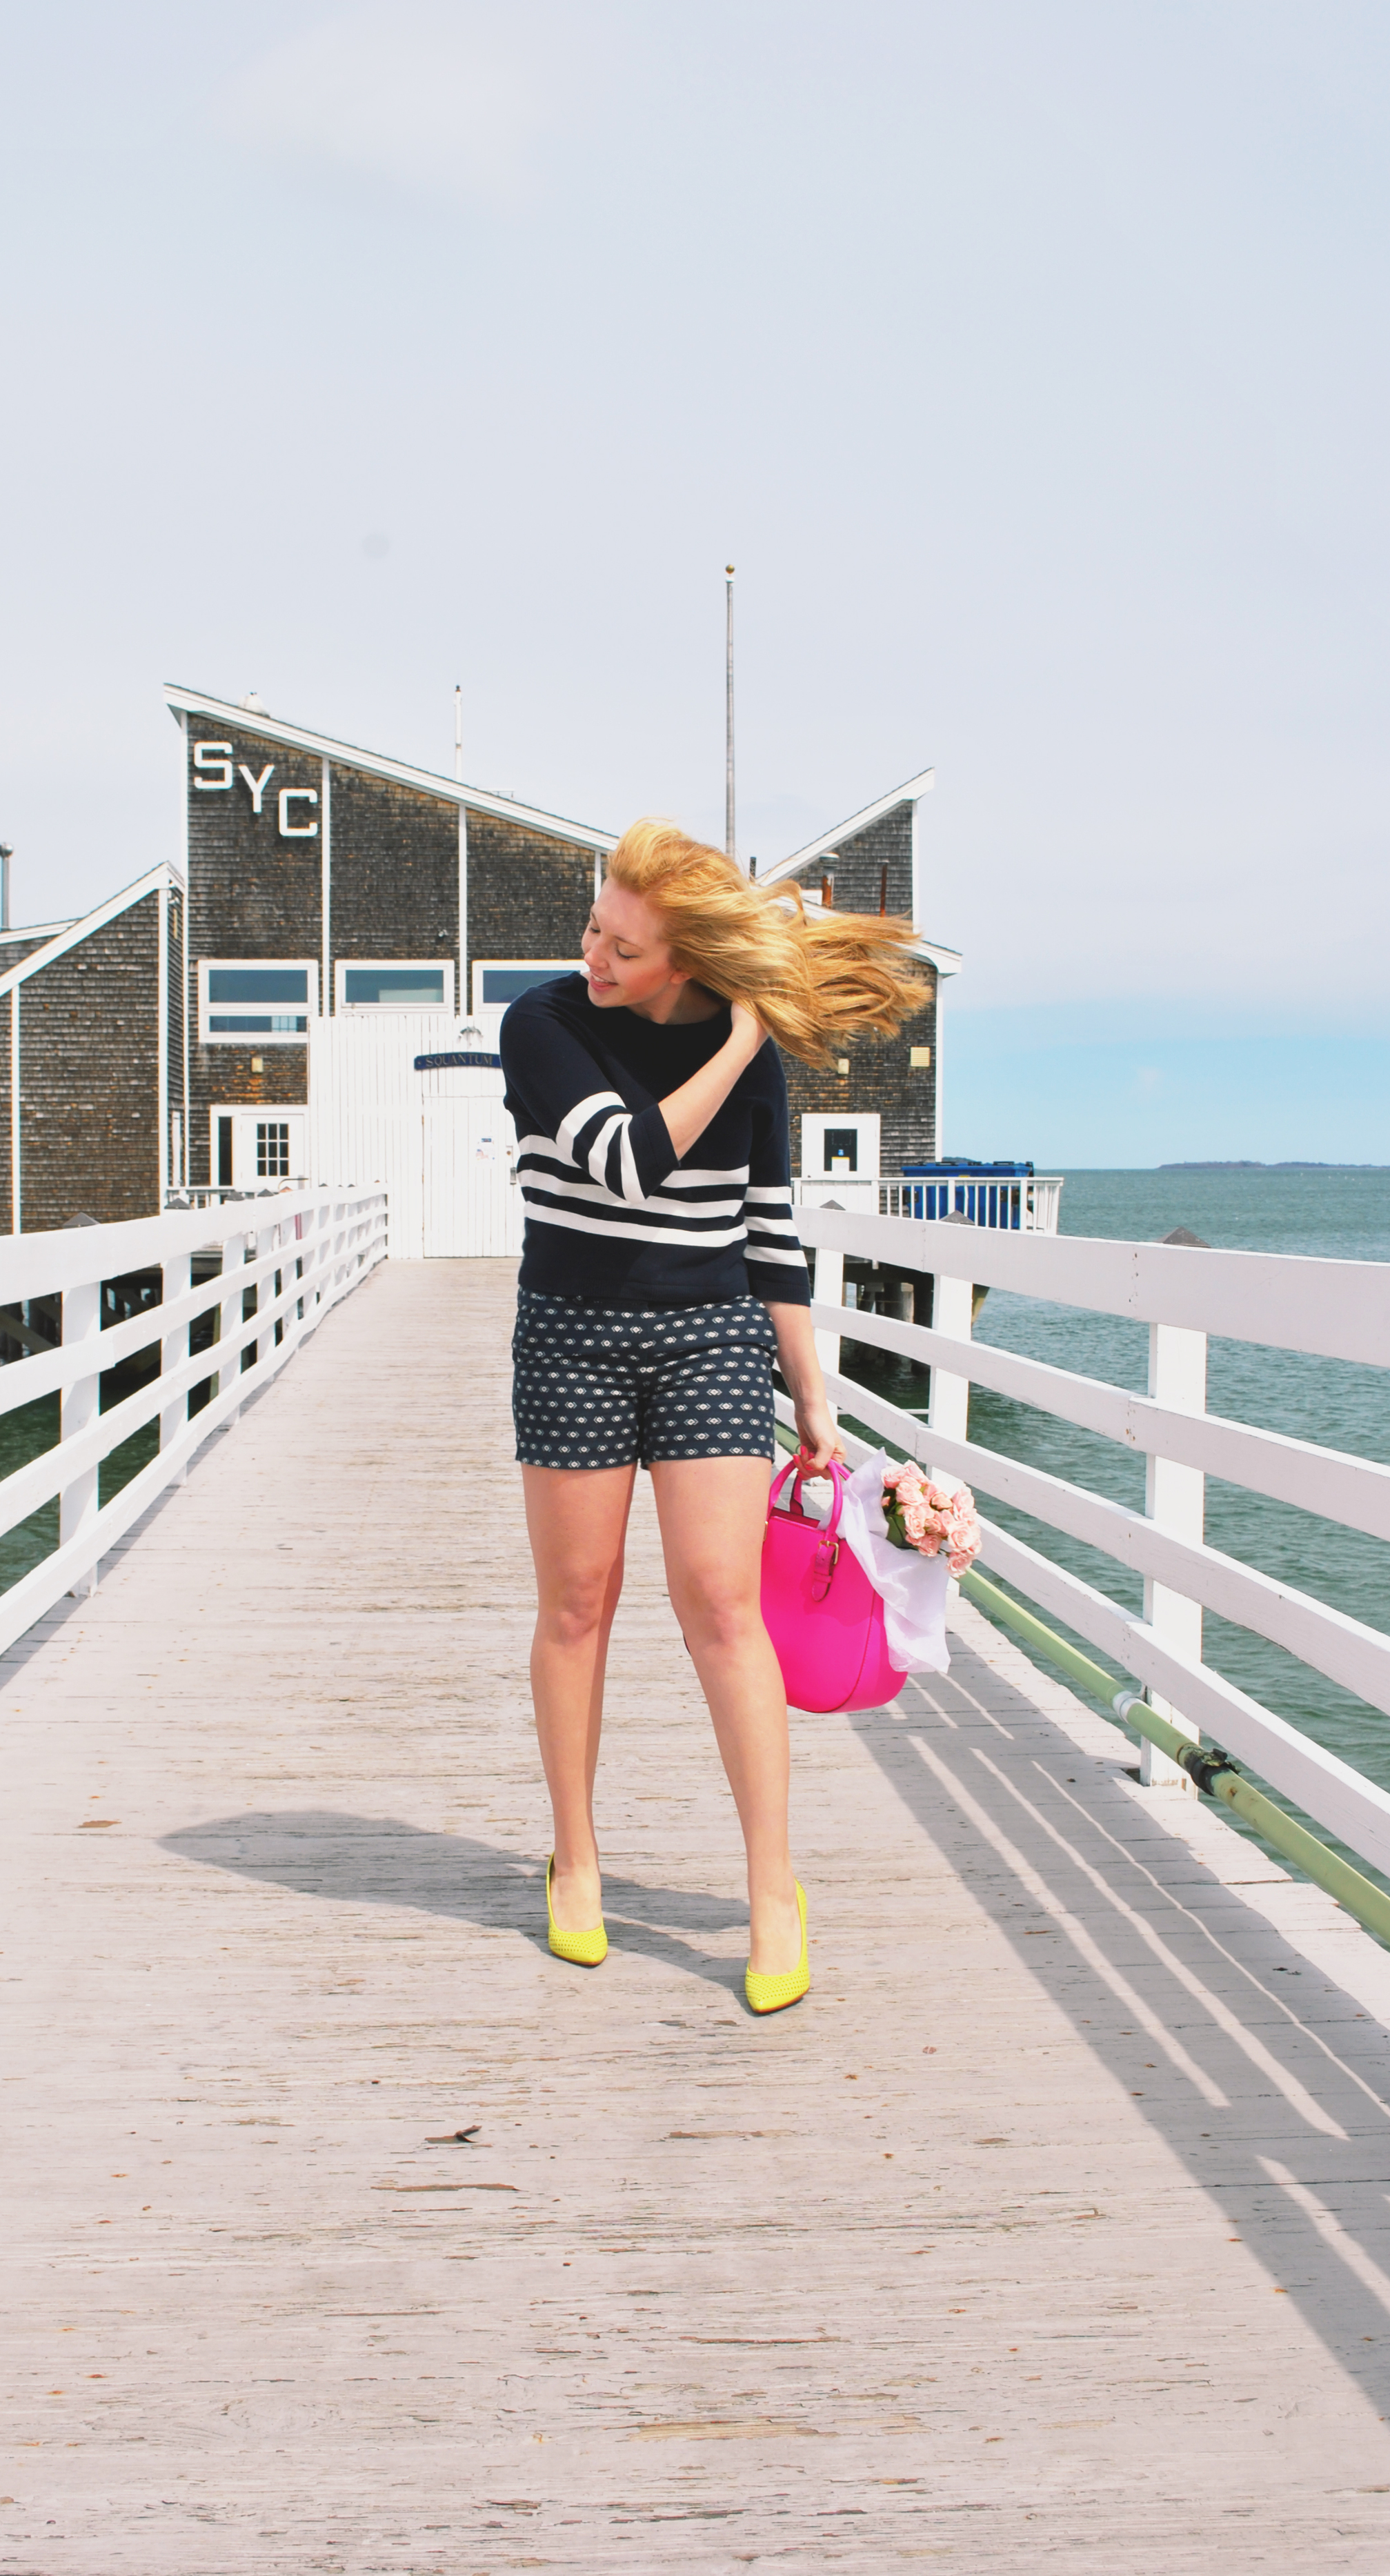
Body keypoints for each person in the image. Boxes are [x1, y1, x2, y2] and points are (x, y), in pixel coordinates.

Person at [498, 819, 930, 2013]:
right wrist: (744, 1033)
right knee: (578, 1604)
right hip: (574, 1337)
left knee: (724, 1607)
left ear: (681, 961)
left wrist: (814, 1397)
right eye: (595, 927)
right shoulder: (542, 1027)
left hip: (711, 1342)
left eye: (624, 947)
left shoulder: (756, 1067)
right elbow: (629, 1164)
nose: (594, 954)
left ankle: (773, 1887)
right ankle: (575, 1864)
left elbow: (769, 1235)